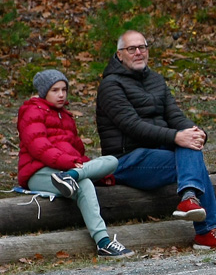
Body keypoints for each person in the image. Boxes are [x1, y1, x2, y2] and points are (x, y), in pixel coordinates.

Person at [96, 31, 216, 249]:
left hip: (158, 153)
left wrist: (197, 132)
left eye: (142, 47)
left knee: (190, 144)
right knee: (189, 153)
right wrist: (176, 136)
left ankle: (189, 200)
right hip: (126, 160)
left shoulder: (155, 80)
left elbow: (175, 116)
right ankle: (206, 230)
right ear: (119, 55)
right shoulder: (110, 86)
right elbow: (133, 126)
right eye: (131, 49)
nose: (138, 53)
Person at [18, 70, 132, 258]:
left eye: (64, 89)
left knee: (111, 161)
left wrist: (90, 170)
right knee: (85, 183)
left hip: (66, 169)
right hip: (39, 172)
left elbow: (78, 153)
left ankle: (71, 176)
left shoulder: (66, 116)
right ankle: (103, 242)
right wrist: (72, 163)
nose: (61, 94)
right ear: (44, 91)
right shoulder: (32, 112)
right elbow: (40, 147)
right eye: (55, 90)